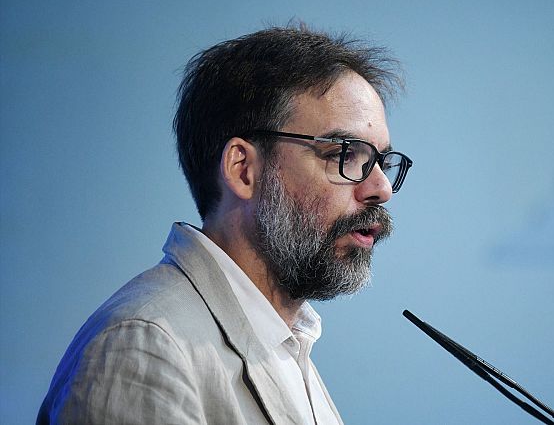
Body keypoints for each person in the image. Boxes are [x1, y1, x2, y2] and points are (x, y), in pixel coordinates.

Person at [37, 25, 412, 425]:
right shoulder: (144, 347)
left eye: (381, 161)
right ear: (243, 169)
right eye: (345, 154)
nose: (381, 188)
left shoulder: (289, 345)